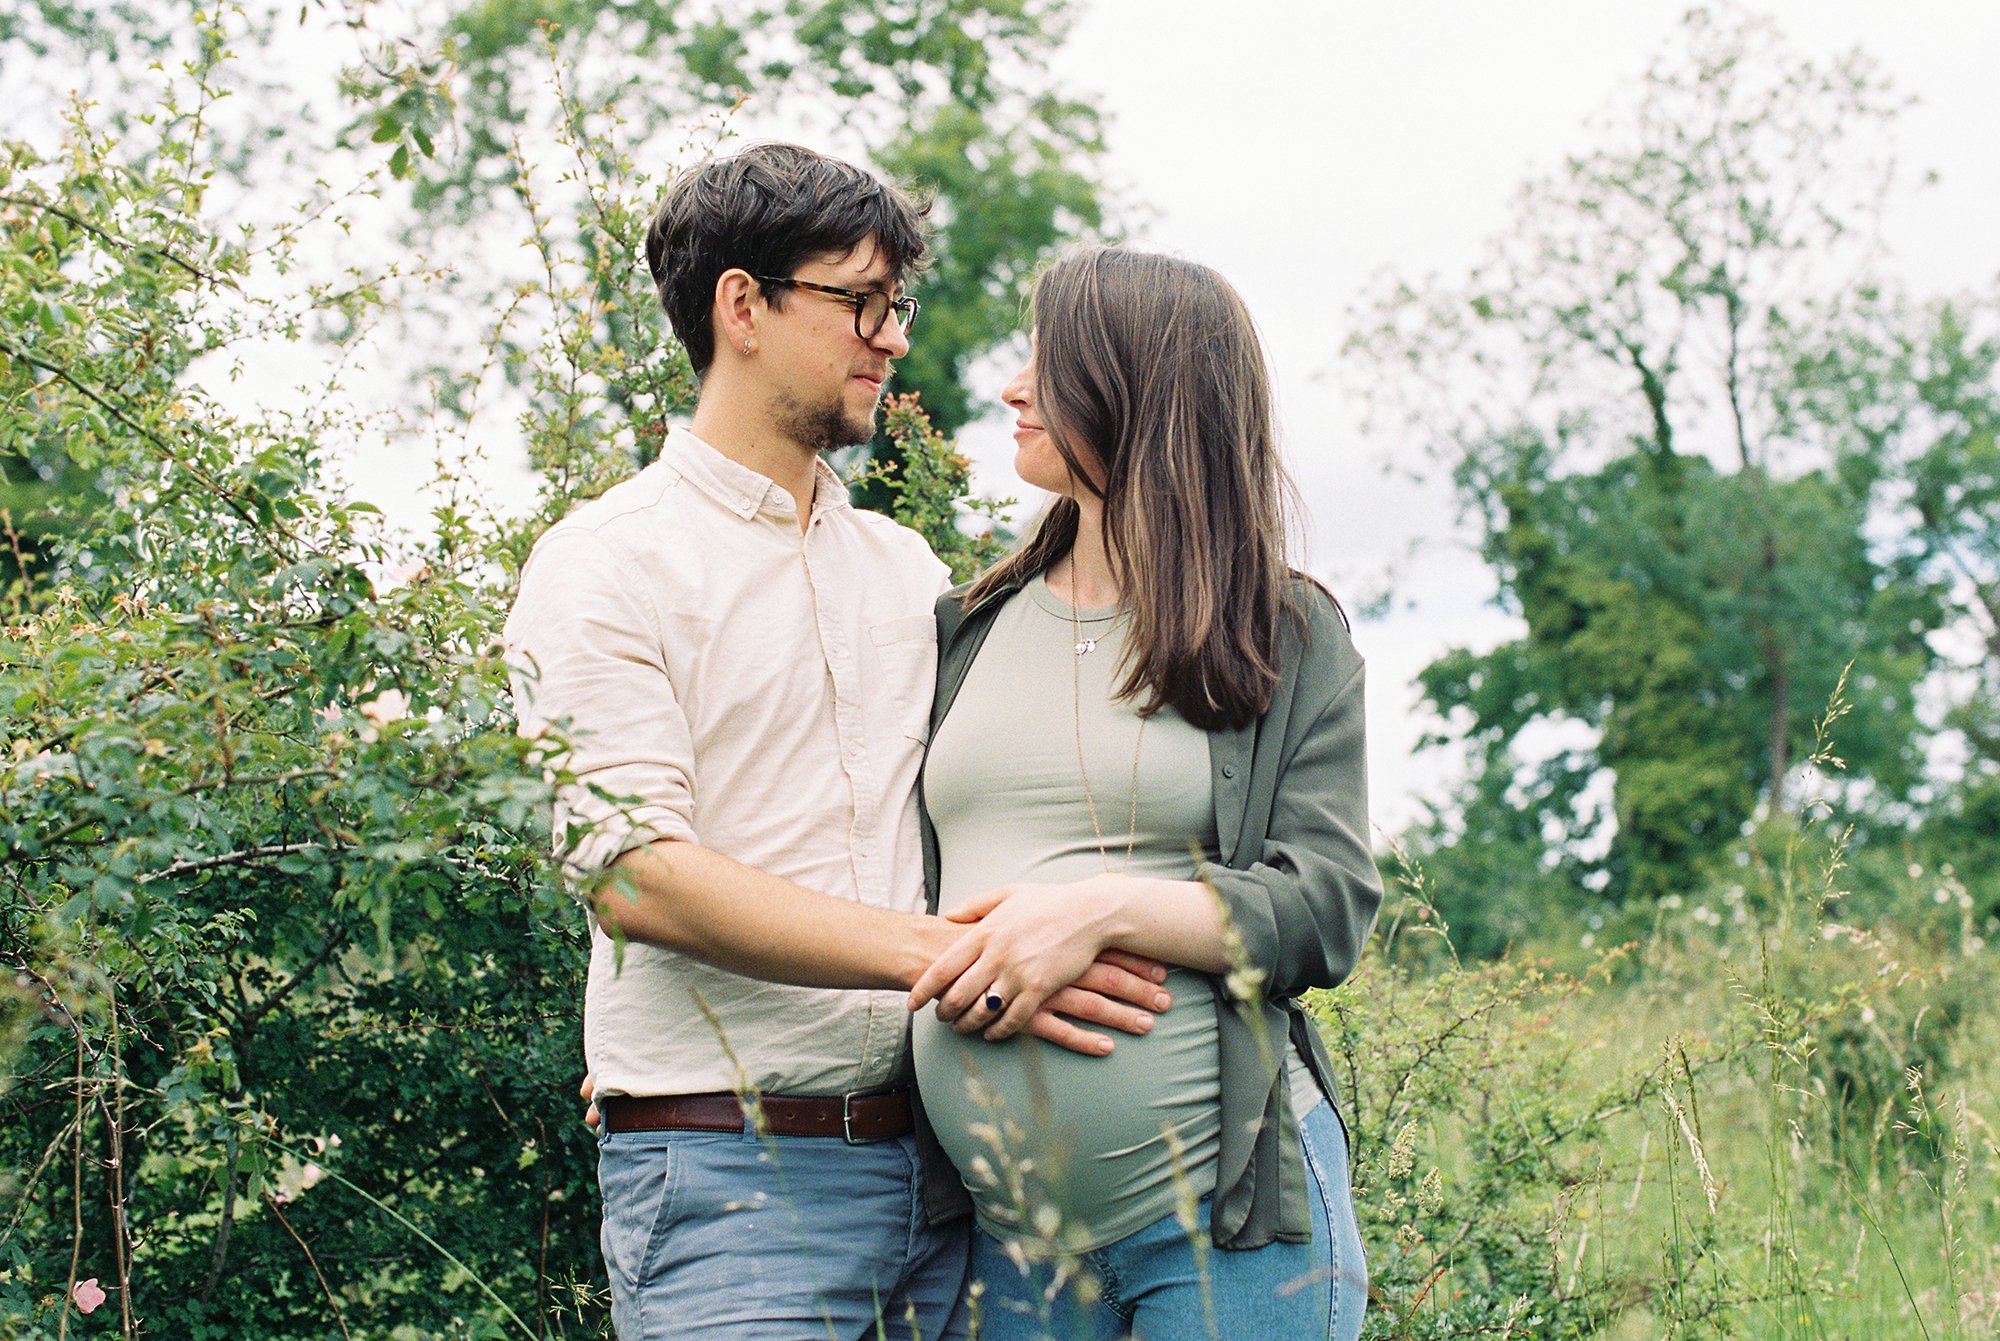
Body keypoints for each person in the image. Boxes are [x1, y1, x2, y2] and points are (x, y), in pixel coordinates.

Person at [504, 146, 1168, 1341]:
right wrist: (949, 959)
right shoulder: (604, 566)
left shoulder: (908, 574)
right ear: (742, 306)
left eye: (894, 305)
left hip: (957, 1184)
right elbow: (631, 872)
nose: (892, 337)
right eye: (859, 301)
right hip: (730, 1185)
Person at [903, 245, 1382, 1340]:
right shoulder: (960, 629)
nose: (1012, 387)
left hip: (1227, 1232)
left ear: (1137, 392)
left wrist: (1101, 910)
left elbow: (1324, 909)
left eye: (1047, 363)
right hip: (1005, 1250)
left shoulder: (1281, 631)